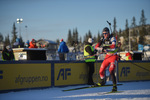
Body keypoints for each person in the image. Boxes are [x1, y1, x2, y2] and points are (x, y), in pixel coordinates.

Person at [95, 27, 120, 92]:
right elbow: (96, 46)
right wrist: (101, 49)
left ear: (108, 33)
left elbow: (113, 46)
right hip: (107, 56)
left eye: (106, 33)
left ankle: (114, 86)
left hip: (113, 56)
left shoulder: (112, 38)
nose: (104, 35)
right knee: (101, 71)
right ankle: (103, 81)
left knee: (111, 71)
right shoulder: (103, 38)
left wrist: (106, 47)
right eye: (103, 33)